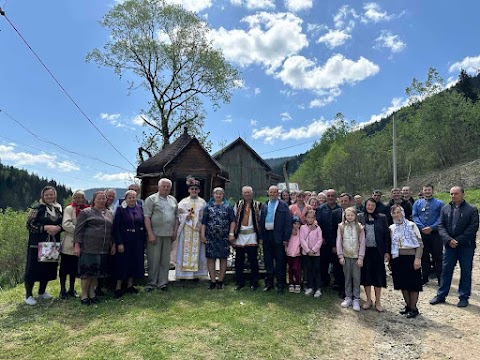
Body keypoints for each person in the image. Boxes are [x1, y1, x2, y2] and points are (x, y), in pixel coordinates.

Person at [430, 186, 479, 308]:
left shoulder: (472, 210)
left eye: (456, 194)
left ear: (463, 194)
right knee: (446, 271)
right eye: (451, 194)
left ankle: (463, 297)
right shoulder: (445, 209)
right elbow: (441, 226)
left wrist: (457, 240)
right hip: (449, 246)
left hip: (466, 247)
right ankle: (441, 295)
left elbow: (472, 228)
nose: (453, 196)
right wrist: (448, 240)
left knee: (465, 271)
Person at [74, 191, 115, 305]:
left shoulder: (109, 213)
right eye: (99, 198)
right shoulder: (86, 212)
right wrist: (77, 245)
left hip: (103, 248)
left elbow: (112, 231)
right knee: (87, 273)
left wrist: (113, 244)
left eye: (104, 198)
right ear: (94, 200)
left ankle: (92, 294)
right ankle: (84, 295)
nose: (102, 200)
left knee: (96, 273)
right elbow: (78, 230)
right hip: (88, 248)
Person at [24, 186, 63, 305]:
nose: (49, 197)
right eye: (47, 195)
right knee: (33, 268)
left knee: (47, 267)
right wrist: (45, 227)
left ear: (55, 195)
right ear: (43, 196)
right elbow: (29, 225)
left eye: (51, 194)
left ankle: (41, 292)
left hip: (52, 244)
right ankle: (29, 295)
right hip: (37, 244)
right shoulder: (37, 208)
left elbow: (62, 223)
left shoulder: (58, 209)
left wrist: (58, 228)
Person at [144, 178, 179, 292]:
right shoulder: (151, 199)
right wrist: (150, 233)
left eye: (168, 187)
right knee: (154, 259)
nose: (166, 188)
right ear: (158, 187)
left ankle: (163, 283)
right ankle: (152, 283)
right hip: (155, 234)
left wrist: (175, 232)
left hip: (168, 234)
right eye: (163, 186)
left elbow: (176, 218)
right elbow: (147, 217)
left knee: (165, 260)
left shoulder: (173, 200)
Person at [389, 205, 423, 318]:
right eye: (394, 213)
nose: (396, 215)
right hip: (397, 258)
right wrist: (390, 261)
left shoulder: (411, 225)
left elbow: (420, 244)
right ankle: (408, 306)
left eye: (398, 212)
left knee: (413, 284)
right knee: (402, 284)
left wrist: (417, 259)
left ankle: (414, 308)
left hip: (411, 258)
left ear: (402, 213)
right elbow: (390, 245)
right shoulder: (391, 228)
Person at [112, 190, 146, 298]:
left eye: (134, 197)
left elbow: (143, 224)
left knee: (134, 262)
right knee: (122, 263)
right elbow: (116, 228)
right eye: (130, 197)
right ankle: (118, 287)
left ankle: (130, 286)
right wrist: (119, 243)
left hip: (137, 240)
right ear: (126, 199)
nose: (132, 199)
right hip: (125, 240)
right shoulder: (120, 209)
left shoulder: (140, 208)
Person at [201, 187, 236, 290]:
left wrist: (231, 233)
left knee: (223, 258)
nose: (218, 195)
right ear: (213, 195)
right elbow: (204, 222)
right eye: (216, 193)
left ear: (223, 195)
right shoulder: (208, 207)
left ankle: (220, 281)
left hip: (223, 237)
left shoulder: (228, 206)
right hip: (211, 237)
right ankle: (212, 281)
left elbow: (232, 221)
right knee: (211, 259)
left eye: (220, 194)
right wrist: (202, 235)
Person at [260, 185, 292, 294]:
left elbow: (288, 222)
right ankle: (269, 284)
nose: (272, 194)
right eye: (271, 192)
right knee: (268, 261)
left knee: (280, 262)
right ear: (268, 193)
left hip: (278, 237)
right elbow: (261, 221)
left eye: (275, 192)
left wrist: (286, 238)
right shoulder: (264, 205)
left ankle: (280, 285)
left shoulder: (283, 205)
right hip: (267, 236)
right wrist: (261, 236)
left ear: (278, 193)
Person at [359, 198, 390, 312]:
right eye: (368, 205)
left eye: (372, 205)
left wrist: (387, 251)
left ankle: (378, 301)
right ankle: (368, 300)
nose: (370, 207)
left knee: (378, 277)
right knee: (366, 276)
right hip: (364, 252)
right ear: (365, 206)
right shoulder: (360, 217)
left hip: (378, 251)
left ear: (375, 206)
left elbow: (387, 236)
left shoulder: (382, 218)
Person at [175, 176, 208, 281]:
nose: (194, 190)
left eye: (196, 189)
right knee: (184, 252)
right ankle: (183, 275)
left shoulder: (203, 203)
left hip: (197, 231)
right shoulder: (183, 203)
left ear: (199, 190)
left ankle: (195, 275)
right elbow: (178, 216)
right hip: (186, 230)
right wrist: (185, 217)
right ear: (188, 190)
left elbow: (205, 217)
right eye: (192, 189)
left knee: (197, 252)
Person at [412, 184, 445, 286]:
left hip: (435, 234)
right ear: (422, 191)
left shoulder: (440, 203)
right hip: (422, 234)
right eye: (425, 190)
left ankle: (441, 278)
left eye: (429, 190)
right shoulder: (417, 203)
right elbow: (415, 216)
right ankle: (424, 277)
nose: (427, 192)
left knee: (438, 256)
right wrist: (422, 227)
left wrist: (432, 227)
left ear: (432, 191)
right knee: (423, 256)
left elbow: (441, 217)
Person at [59, 190, 88, 299]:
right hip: (69, 242)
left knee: (74, 268)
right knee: (64, 267)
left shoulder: (86, 209)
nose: (80, 200)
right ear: (73, 198)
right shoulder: (69, 209)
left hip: (80, 243)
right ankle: (62, 290)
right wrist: (79, 230)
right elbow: (66, 224)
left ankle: (71, 288)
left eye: (82, 198)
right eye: (77, 197)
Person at [336, 207, 365, 311]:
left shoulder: (359, 227)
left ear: (355, 216)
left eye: (352, 215)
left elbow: (362, 243)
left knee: (356, 278)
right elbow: (339, 241)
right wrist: (340, 255)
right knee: (347, 278)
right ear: (345, 216)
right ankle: (348, 297)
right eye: (348, 215)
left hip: (356, 257)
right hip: (346, 256)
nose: (350, 217)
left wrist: (361, 257)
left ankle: (356, 298)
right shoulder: (341, 226)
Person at [233, 186, 261, 291]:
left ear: (252, 193)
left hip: (252, 235)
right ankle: (240, 282)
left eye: (249, 192)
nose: (247, 194)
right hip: (240, 235)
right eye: (245, 193)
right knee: (239, 260)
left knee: (253, 260)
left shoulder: (258, 205)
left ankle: (254, 282)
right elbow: (234, 219)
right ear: (242, 194)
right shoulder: (238, 204)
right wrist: (232, 234)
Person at [316, 189, 340, 289]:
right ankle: (324, 281)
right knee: (323, 263)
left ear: (336, 197)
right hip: (324, 241)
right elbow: (318, 225)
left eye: (332, 196)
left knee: (336, 264)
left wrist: (336, 243)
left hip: (336, 241)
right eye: (328, 195)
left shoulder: (340, 209)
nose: (330, 197)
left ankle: (336, 282)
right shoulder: (321, 208)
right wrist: (321, 238)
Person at [331, 193, 353, 297]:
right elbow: (332, 229)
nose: (344, 203)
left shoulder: (356, 213)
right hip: (339, 244)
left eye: (346, 201)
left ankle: (351, 289)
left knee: (350, 268)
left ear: (350, 201)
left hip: (352, 245)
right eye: (342, 201)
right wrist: (334, 245)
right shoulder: (335, 213)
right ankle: (342, 289)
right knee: (339, 268)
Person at [300, 210, 323, 298]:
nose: (310, 219)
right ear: (305, 218)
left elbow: (320, 240)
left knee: (316, 270)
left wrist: (313, 250)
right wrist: (307, 250)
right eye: (308, 217)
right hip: (306, 253)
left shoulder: (318, 228)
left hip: (315, 254)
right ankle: (310, 286)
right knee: (308, 269)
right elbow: (302, 239)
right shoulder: (302, 228)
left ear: (315, 218)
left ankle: (318, 288)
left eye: (312, 218)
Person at [285, 216, 302, 293]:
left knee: (296, 268)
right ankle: (291, 283)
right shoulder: (289, 232)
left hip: (297, 254)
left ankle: (297, 283)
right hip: (289, 253)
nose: (296, 225)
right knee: (290, 269)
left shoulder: (300, 232)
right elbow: (286, 242)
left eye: (298, 224)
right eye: (295, 224)